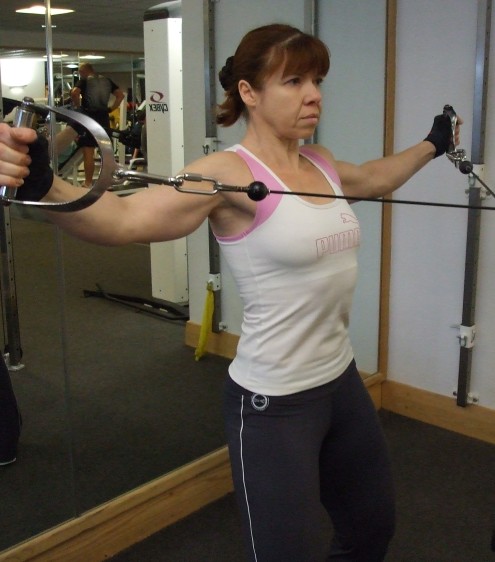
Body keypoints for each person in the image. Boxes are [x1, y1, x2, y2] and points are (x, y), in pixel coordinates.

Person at [0, 24, 460, 562]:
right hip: (273, 403)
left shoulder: (320, 162)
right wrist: (44, 184)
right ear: (249, 92)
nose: (314, 94)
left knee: (371, 530)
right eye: (293, 81)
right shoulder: (227, 173)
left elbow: (376, 177)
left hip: (341, 384)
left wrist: (433, 143)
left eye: (317, 80)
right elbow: (124, 220)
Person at [70, 62, 125, 187]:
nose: (80, 74)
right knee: (106, 153)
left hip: (89, 118)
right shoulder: (107, 80)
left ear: (83, 71)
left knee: (88, 152)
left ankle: (88, 182)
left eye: (80, 72)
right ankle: (108, 181)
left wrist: (78, 107)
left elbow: (74, 93)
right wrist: (111, 108)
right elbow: (120, 95)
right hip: (103, 118)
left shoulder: (84, 80)